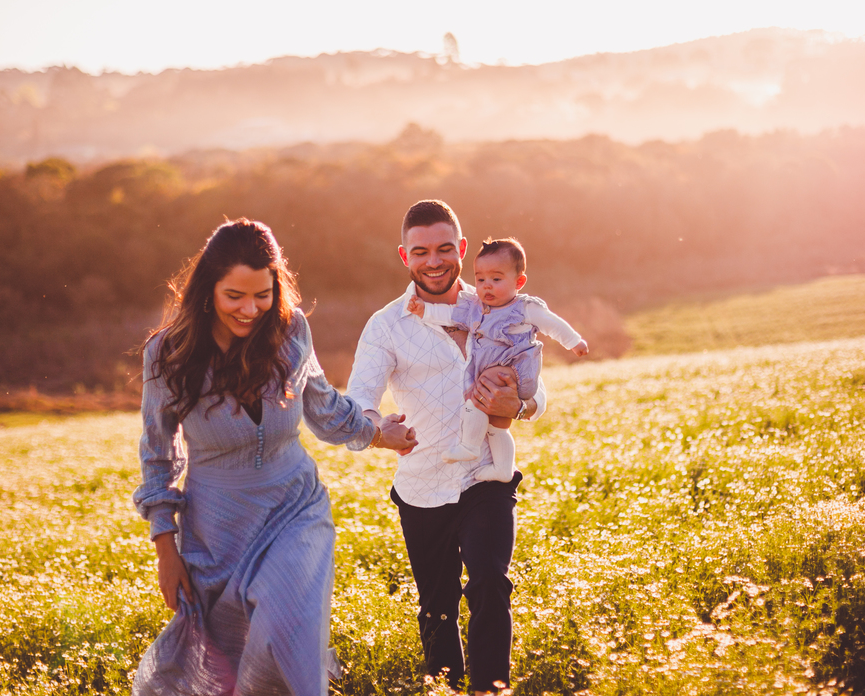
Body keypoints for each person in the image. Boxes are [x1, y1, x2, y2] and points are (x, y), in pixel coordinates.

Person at [131, 218, 416, 696]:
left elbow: (322, 407)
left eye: (262, 295)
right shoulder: (168, 354)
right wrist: (166, 547)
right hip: (216, 532)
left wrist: (378, 434)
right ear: (208, 290)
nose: (250, 309)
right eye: (234, 296)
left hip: (295, 511)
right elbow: (158, 454)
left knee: (286, 635)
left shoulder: (290, 331)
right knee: (226, 661)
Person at [346, 200, 546, 694]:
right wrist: (377, 431)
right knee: (437, 605)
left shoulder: (497, 303)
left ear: (459, 248)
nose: (432, 261)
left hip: (483, 476)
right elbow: (359, 401)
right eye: (420, 252)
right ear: (404, 256)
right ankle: (447, 689)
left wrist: (519, 404)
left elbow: (535, 386)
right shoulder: (386, 325)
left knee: (489, 586)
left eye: (442, 249)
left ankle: (489, 689)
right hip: (421, 485)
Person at [407, 236, 588, 482]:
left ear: (519, 282)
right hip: (494, 375)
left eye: (496, 279)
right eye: (480, 279)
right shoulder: (474, 307)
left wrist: (574, 342)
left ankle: (469, 445)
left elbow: (553, 324)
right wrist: (424, 310)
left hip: (515, 373)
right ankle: (503, 469)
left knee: (477, 393)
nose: (486, 286)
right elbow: (449, 315)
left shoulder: (523, 308)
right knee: (496, 425)